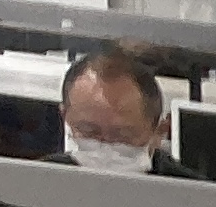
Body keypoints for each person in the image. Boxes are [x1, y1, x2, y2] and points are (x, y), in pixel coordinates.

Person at [61, 47, 181, 177]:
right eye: (89, 131)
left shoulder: (190, 188)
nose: (105, 148)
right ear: (65, 117)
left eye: (122, 136)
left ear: (159, 131)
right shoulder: (44, 179)